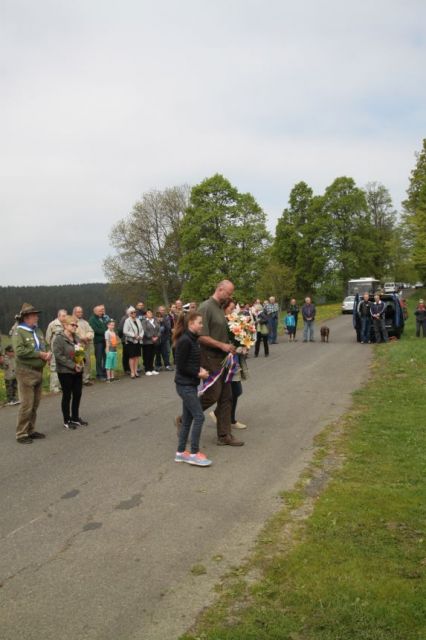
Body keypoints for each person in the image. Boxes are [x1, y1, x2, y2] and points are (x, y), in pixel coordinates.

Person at [197, 280, 244, 446]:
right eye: (229, 293)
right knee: (212, 395)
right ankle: (184, 418)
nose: (230, 297)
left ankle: (224, 436)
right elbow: (201, 336)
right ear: (220, 289)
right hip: (210, 359)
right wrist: (222, 345)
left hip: (224, 359)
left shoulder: (219, 308)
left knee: (227, 397)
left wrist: (236, 343)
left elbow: (221, 333)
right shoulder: (206, 307)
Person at [173, 311, 211, 466]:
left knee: (187, 419)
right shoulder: (185, 341)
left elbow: (190, 362)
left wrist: (199, 369)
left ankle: (180, 453)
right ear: (191, 324)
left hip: (190, 384)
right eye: (199, 323)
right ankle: (194, 453)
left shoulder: (193, 339)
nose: (202, 325)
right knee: (199, 417)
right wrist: (199, 374)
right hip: (185, 385)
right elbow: (181, 366)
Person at [12, 303, 51, 444]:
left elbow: (43, 345)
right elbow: (19, 352)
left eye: (36, 315)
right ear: (27, 317)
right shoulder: (19, 331)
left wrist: (47, 353)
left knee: (35, 404)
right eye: (34, 315)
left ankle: (30, 430)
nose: (37, 317)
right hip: (25, 371)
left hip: (38, 371)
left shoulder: (37, 330)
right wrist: (39, 354)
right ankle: (21, 434)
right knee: (27, 404)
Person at [53, 315, 88, 429]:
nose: (75, 327)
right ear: (65, 325)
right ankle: (67, 420)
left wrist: (82, 359)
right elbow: (59, 356)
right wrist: (73, 366)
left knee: (77, 394)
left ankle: (75, 417)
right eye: (73, 324)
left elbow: (79, 351)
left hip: (78, 370)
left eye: (76, 325)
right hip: (65, 371)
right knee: (67, 395)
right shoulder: (59, 339)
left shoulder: (76, 337)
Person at [46, 309, 67, 392]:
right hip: (55, 349)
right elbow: (48, 338)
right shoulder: (53, 324)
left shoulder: (67, 324)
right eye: (63, 316)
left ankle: (62, 385)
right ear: (58, 316)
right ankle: (54, 387)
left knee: (64, 367)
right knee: (54, 367)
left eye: (66, 315)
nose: (65, 317)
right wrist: (50, 349)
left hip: (64, 349)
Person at [73, 306, 94, 385]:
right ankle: (78, 381)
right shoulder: (72, 322)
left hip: (86, 345)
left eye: (81, 312)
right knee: (79, 362)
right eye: (78, 312)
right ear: (74, 312)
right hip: (78, 346)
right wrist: (82, 338)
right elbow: (73, 333)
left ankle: (86, 379)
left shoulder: (85, 322)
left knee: (87, 362)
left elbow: (91, 331)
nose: (80, 313)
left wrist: (88, 337)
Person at [123, 306, 144, 378]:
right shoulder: (127, 321)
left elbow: (141, 329)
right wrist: (134, 335)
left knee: (137, 356)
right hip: (131, 341)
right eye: (132, 312)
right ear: (129, 313)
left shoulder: (138, 320)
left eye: (135, 312)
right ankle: (132, 372)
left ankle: (136, 371)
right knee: (132, 357)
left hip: (138, 340)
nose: (134, 313)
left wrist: (141, 335)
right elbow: (125, 331)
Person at [89, 305, 108, 380]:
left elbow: (108, 326)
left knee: (106, 357)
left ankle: (105, 372)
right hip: (98, 342)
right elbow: (95, 329)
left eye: (102, 310)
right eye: (100, 311)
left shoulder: (104, 318)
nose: (102, 312)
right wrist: (106, 332)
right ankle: (99, 374)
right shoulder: (92, 319)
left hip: (105, 341)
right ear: (95, 311)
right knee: (99, 358)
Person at [142, 310, 161, 376]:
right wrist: (151, 337)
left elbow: (159, 329)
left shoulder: (155, 321)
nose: (150, 314)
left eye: (151, 312)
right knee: (147, 355)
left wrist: (157, 337)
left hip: (155, 341)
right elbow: (144, 331)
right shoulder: (144, 321)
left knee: (153, 355)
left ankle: (152, 369)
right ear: (146, 315)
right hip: (147, 342)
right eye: (148, 313)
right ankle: (147, 369)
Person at [155, 306, 174, 371]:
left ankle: (167, 365)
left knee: (165, 353)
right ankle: (158, 365)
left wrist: (163, 322)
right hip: (157, 339)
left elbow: (168, 327)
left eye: (163, 310)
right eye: (161, 310)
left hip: (164, 338)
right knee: (157, 353)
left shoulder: (166, 318)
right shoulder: (154, 318)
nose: (162, 311)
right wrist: (158, 322)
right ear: (158, 310)